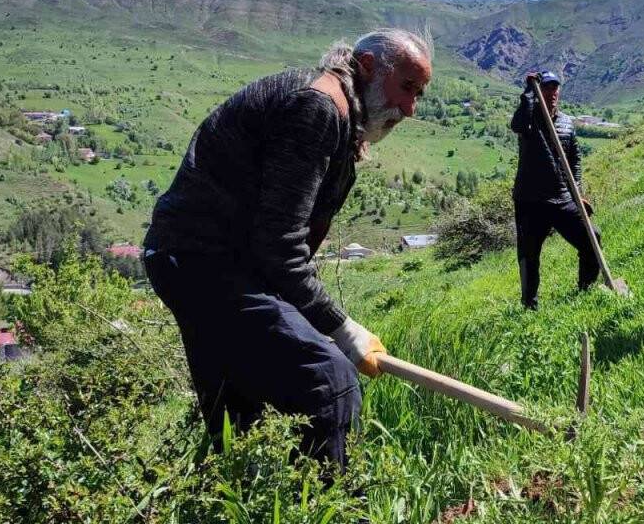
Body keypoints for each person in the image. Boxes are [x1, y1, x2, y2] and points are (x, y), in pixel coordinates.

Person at [141, 29, 432, 474]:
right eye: (407, 88)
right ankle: (323, 506)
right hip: (202, 260)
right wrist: (341, 328)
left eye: (419, 95)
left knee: (238, 406)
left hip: (206, 259)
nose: (410, 108)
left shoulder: (338, 111)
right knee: (329, 380)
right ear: (368, 67)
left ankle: (242, 495)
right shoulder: (317, 108)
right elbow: (280, 246)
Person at [510, 70, 600, 309]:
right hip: (530, 200)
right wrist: (529, 92)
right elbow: (516, 124)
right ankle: (530, 306)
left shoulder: (567, 123)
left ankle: (586, 289)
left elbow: (575, 160)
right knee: (529, 256)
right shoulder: (530, 119)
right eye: (547, 88)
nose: (552, 93)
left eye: (555, 88)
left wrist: (578, 193)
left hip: (562, 198)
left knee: (592, 238)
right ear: (541, 92)